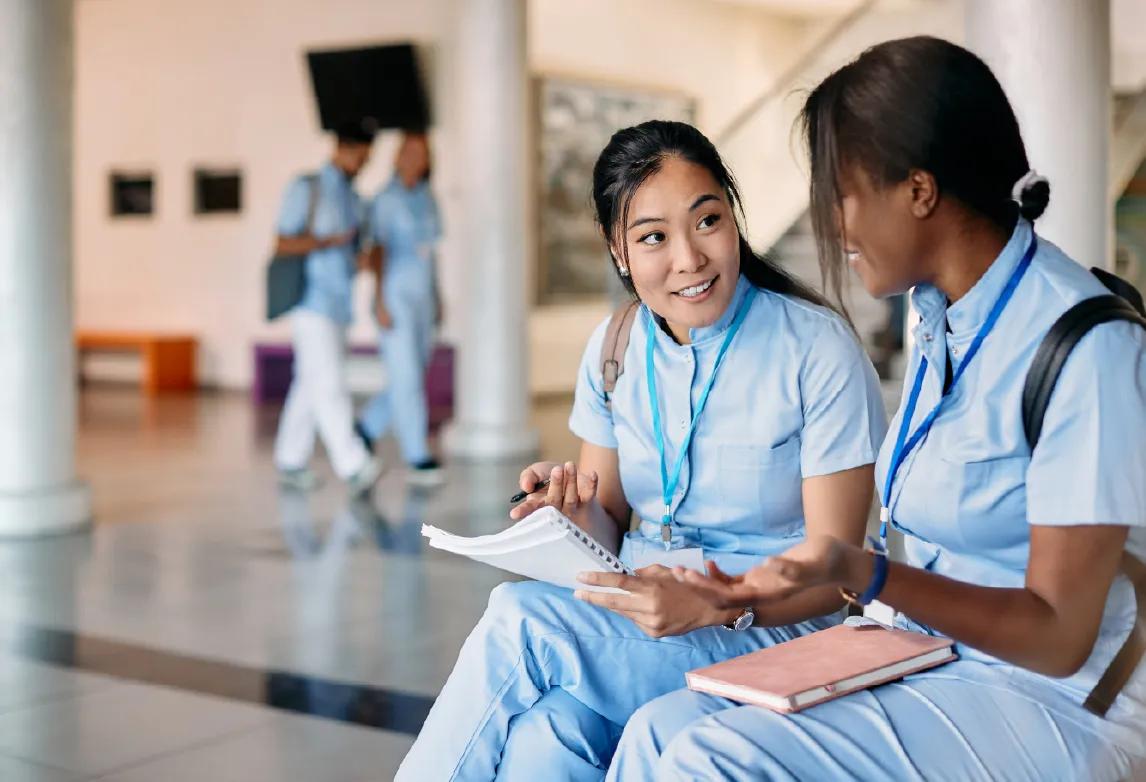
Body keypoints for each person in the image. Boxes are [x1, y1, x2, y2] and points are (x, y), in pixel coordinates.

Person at [609, 37, 1146, 782]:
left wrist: (868, 575)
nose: (831, 226)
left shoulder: (1086, 345)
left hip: (1052, 697)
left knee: (707, 760)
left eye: (841, 194)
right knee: (656, 731)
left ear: (919, 191)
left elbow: (1059, 637)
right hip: (927, 653)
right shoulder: (939, 320)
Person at [395, 120, 887, 780]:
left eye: (707, 221)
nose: (689, 258)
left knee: (521, 621)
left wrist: (719, 602)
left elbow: (837, 578)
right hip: (635, 626)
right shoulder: (614, 348)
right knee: (545, 738)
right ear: (619, 251)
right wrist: (570, 517)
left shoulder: (817, 350)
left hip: (767, 627)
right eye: (654, 237)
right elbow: (609, 521)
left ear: (732, 216)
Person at [273, 119, 384, 496]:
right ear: (340, 147)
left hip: (339, 305)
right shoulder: (307, 188)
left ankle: (289, 459)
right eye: (359, 156)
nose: (362, 165)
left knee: (309, 383)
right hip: (309, 301)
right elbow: (282, 242)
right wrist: (327, 242)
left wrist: (362, 259)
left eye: (368, 159)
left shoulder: (354, 200)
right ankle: (353, 464)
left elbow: (353, 255)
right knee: (330, 382)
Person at [356, 132, 445, 485]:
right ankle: (417, 455)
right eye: (407, 151)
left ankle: (365, 427)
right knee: (406, 376)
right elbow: (376, 251)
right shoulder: (384, 200)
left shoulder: (428, 199)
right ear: (396, 157)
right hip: (393, 296)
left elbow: (431, 253)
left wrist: (438, 297)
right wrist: (379, 300)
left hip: (423, 297)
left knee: (412, 372)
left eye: (419, 153)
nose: (412, 157)